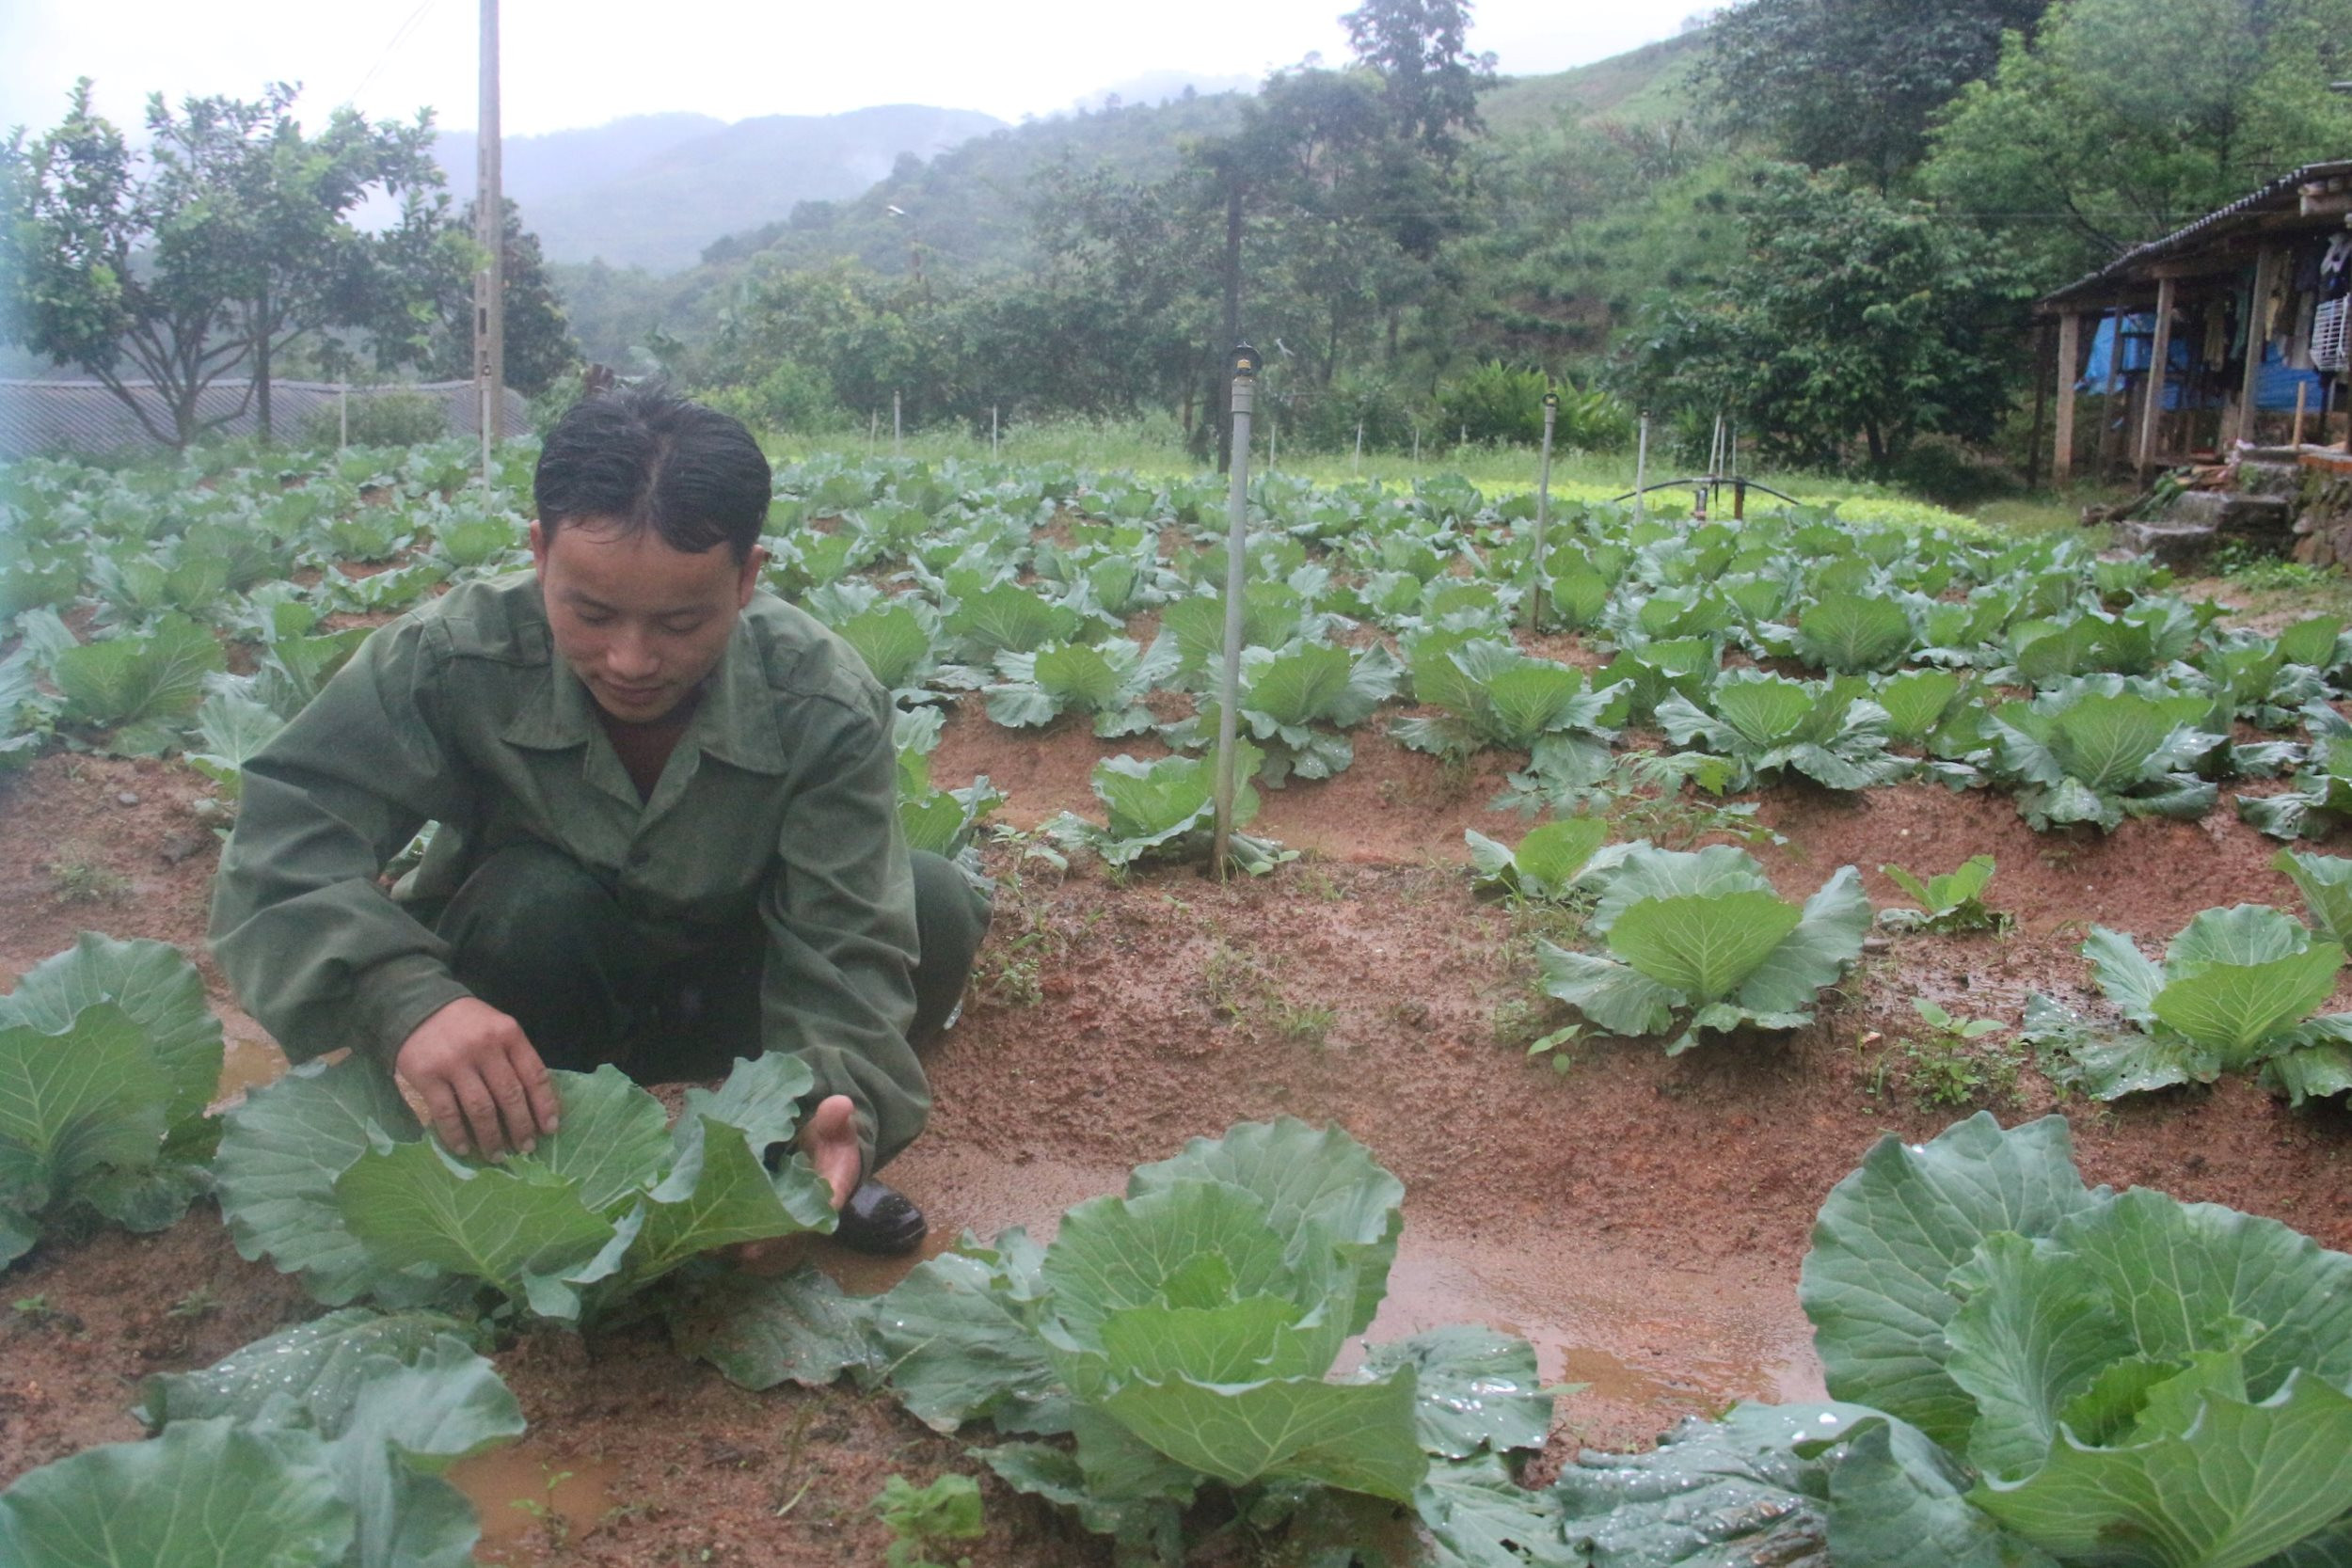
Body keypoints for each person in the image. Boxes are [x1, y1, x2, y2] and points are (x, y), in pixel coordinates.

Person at [208, 384, 989, 1255]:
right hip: (529, 997)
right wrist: (405, 1000)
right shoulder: (451, 654)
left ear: (747, 578)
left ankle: (786, 1159)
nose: (630, 659)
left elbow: (845, 947)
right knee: (533, 902)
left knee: (933, 902)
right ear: (540, 553)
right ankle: (516, 1151)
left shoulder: (822, 698)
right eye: (591, 612)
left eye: (682, 621)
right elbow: (283, 841)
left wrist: (831, 1108)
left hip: (731, 996)